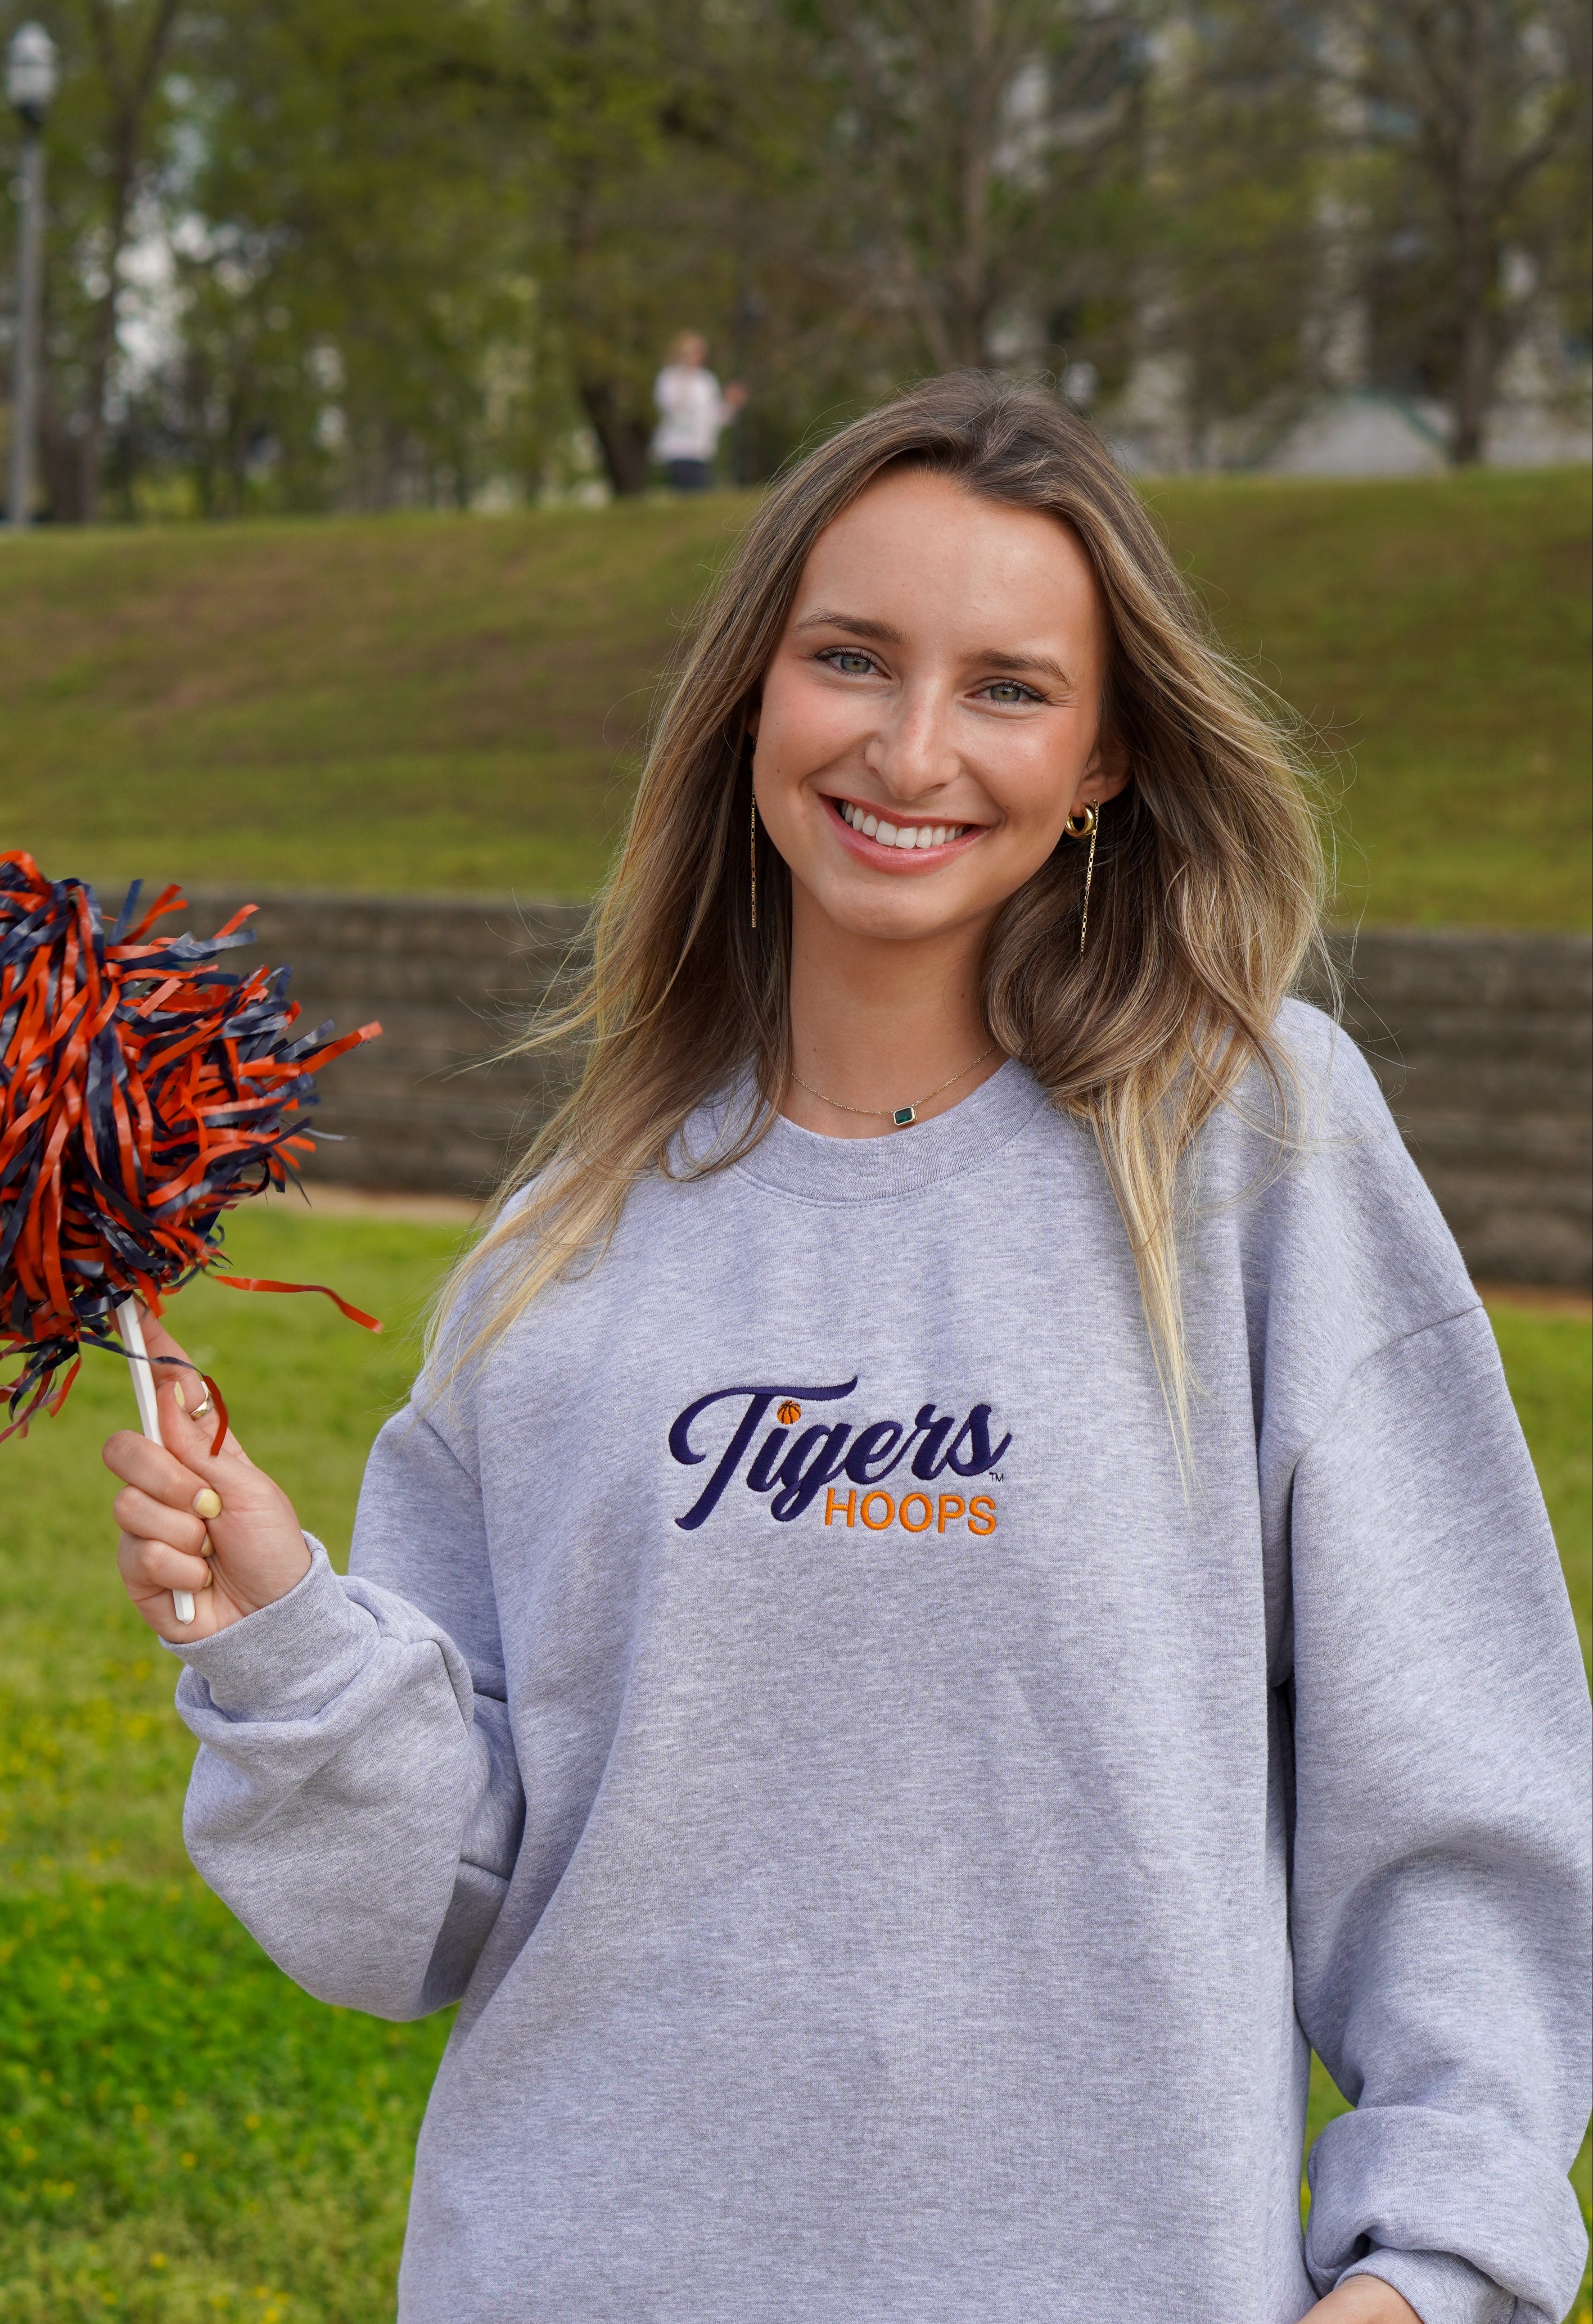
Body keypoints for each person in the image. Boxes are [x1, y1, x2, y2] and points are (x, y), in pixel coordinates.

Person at [104, 374, 1590, 2324]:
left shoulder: (1249, 1144)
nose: (910, 746)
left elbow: (1458, 1790)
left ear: (1108, 753)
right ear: (752, 698)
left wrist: (1429, 2271)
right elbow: (436, 1917)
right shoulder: (569, 1242)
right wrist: (282, 1625)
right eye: (852, 659)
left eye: (1006, 685)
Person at [651, 329, 745, 490]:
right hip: (677, 450)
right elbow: (672, 409)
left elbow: (715, 418)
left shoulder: (707, 381)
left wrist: (731, 404)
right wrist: (685, 376)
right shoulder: (669, 378)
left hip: (702, 450)